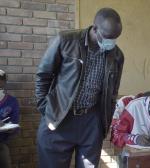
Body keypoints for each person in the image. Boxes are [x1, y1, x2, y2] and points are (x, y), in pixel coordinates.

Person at [35, 8, 124, 168]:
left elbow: (112, 92)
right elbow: (43, 75)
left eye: (115, 38)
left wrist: (103, 123)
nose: (111, 43)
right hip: (59, 117)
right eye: (107, 37)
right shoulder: (65, 40)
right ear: (95, 28)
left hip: (91, 122)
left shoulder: (116, 55)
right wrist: (45, 108)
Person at [0, 70, 19, 168]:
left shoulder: (12, 102)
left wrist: (9, 128)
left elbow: (15, 124)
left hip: (1, 143)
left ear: (4, 82)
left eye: (1, 79)